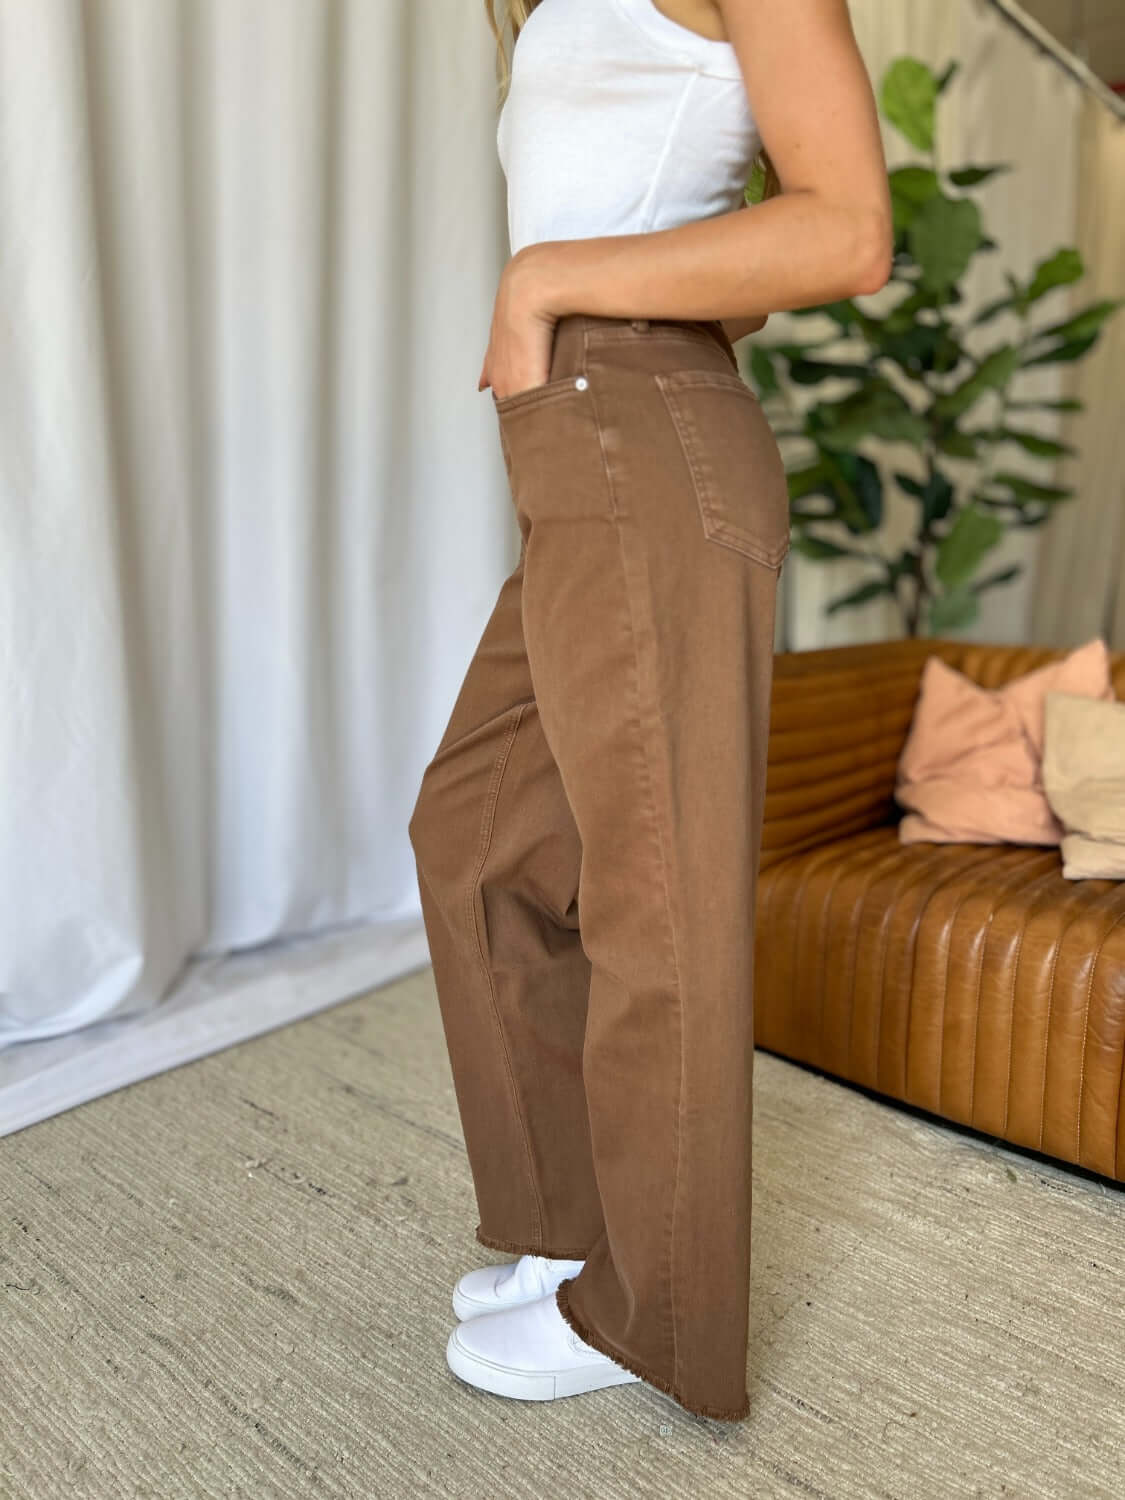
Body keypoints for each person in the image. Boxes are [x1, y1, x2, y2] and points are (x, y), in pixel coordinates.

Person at [408, 0, 892, 1423]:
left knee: (652, 896)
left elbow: (847, 230)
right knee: (475, 835)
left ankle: (650, 1314)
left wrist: (549, 277)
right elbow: (725, 264)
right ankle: (572, 1230)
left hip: (641, 436)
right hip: (583, 448)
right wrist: (566, 293)